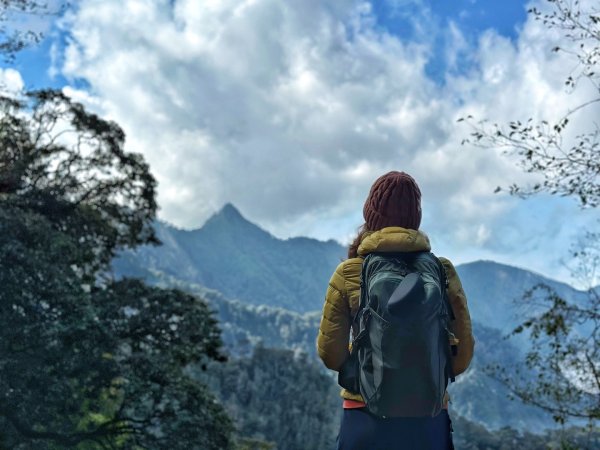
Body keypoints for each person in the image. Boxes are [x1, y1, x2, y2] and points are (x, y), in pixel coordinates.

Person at [317, 171, 475, 450]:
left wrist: (368, 367)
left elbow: (331, 355)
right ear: (416, 218)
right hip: (429, 418)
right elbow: (461, 359)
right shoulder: (442, 270)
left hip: (363, 416)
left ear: (371, 215)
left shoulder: (350, 272)